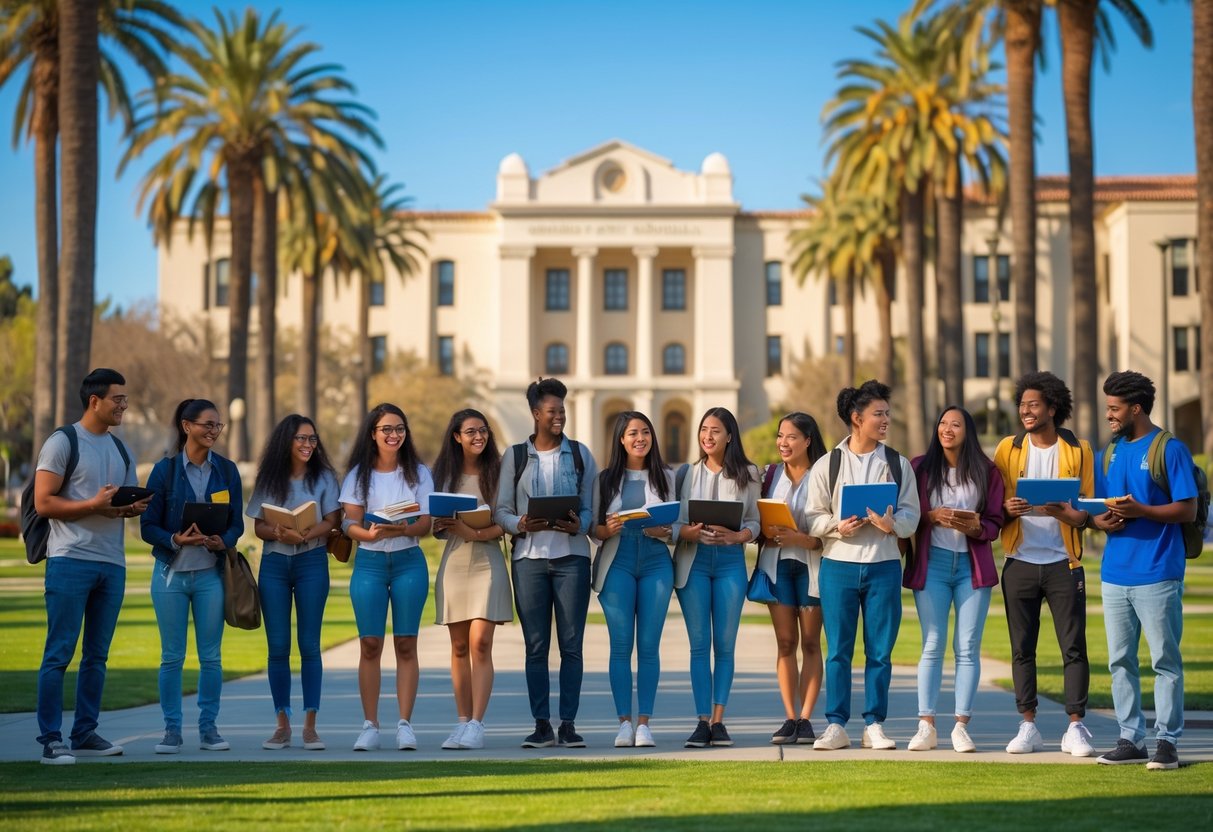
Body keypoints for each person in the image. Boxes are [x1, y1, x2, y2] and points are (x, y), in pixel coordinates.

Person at [33, 368, 148, 765]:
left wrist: (127, 509)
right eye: (118, 399)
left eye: (125, 399)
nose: (124, 406)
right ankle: (51, 739)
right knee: (59, 653)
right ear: (94, 400)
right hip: (69, 560)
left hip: (111, 563)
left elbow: (115, 508)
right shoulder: (63, 442)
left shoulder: (122, 450)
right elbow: (43, 503)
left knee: (97, 656)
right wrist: (92, 505)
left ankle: (84, 732)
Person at [807, 380, 919, 752]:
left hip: (884, 566)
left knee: (880, 652)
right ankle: (836, 725)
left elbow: (911, 515)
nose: (886, 419)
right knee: (838, 650)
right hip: (837, 565)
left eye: (887, 413)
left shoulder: (898, 464)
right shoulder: (828, 464)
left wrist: (893, 525)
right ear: (857, 418)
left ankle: (874, 724)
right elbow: (813, 517)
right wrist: (836, 526)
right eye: (879, 414)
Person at [1091, 371, 1196, 770]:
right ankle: (1130, 738)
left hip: (1158, 572)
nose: (1109, 416)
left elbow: (1187, 509)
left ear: (1136, 408)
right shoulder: (1111, 451)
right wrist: (1098, 520)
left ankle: (1166, 742)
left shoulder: (1170, 449)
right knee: (1120, 661)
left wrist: (1142, 511)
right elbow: (1102, 505)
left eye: (1115, 409)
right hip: (1115, 573)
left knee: (1164, 661)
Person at [992, 371, 1096, 757]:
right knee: (1022, 647)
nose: (1026, 411)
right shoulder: (1008, 448)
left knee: (1073, 646)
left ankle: (1076, 727)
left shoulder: (1079, 449)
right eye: (1022, 405)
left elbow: (1085, 512)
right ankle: (1028, 725)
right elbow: (996, 504)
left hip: (1063, 563)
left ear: (1053, 407)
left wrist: (1066, 513)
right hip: (1019, 560)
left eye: (1034, 404)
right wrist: (1006, 508)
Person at [495, 377, 598, 748]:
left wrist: (580, 525)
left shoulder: (582, 455)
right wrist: (520, 523)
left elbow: (590, 510)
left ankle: (567, 724)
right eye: (552, 411)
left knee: (572, 646)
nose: (560, 417)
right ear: (536, 414)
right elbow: (501, 510)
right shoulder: (516, 457)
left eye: (563, 411)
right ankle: (542, 725)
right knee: (535, 647)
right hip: (529, 561)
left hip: (571, 559)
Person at [141, 398, 244, 754]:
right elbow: (147, 526)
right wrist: (174, 539)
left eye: (218, 425)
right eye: (208, 424)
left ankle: (209, 729)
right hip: (171, 575)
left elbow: (237, 524)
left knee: (211, 657)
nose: (214, 431)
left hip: (210, 576)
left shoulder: (227, 471)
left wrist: (222, 540)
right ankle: (171, 731)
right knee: (171, 657)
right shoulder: (164, 471)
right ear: (187, 426)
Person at [905, 406, 1004, 753]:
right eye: (943, 423)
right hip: (932, 565)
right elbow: (908, 516)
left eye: (955, 424)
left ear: (968, 431)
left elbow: (995, 522)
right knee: (932, 644)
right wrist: (931, 515)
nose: (947, 429)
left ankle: (961, 725)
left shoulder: (987, 471)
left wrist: (976, 526)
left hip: (970, 568)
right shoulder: (919, 467)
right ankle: (926, 725)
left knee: (967, 648)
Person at [340, 404, 434, 751]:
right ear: (372, 434)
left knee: (406, 644)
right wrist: (369, 535)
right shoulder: (357, 476)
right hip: (370, 563)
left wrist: (399, 528)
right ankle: (370, 725)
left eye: (399, 429)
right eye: (386, 430)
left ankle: (405, 724)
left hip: (409, 561)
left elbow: (426, 524)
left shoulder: (419, 473)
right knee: (370, 644)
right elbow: (349, 524)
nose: (394, 435)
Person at [246, 415, 342, 752]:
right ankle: (282, 725)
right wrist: (278, 532)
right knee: (278, 647)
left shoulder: (326, 477)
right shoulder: (270, 478)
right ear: (286, 441)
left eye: (313, 439)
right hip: (273, 563)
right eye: (301, 439)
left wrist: (302, 534)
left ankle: (310, 728)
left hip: (312, 562)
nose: (307, 445)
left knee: (309, 645)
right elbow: (258, 526)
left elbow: (332, 520)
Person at [672, 407, 760, 749]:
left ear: (729, 436)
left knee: (724, 645)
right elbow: (675, 522)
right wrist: (688, 533)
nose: (708, 436)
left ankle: (719, 721)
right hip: (694, 563)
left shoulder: (749, 474)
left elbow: (755, 520)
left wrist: (739, 536)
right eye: (703, 430)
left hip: (729, 564)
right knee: (699, 645)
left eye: (715, 431)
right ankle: (701, 721)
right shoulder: (685, 474)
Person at [592, 411, 675, 748]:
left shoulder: (667, 476)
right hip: (618, 559)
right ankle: (624, 722)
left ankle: (644, 725)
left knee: (649, 647)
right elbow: (592, 528)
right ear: (621, 440)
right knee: (621, 645)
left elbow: (678, 524)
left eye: (645, 432)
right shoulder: (604, 480)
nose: (640, 438)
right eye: (632, 433)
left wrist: (665, 531)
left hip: (656, 560)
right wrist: (605, 529)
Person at [431, 409, 513, 751]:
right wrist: (443, 525)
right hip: (454, 562)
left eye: (483, 431)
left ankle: (478, 724)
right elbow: (435, 526)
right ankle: (462, 721)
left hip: (488, 560)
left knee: (481, 643)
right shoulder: (443, 474)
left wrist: (472, 530)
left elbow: (505, 523)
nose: (478, 437)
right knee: (459, 647)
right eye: (470, 432)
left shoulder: (499, 472)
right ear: (456, 437)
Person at [757, 412, 826, 746]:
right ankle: (789, 717)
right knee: (786, 643)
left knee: (811, 643)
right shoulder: (770, 476)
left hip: (812, 566)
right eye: (780, 436)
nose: (783, 443)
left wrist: (802, 538)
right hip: (779, 566)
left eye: (791, 437)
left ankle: (807, 719)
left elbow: (832, 530)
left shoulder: (825, 475)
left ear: (808, 441)